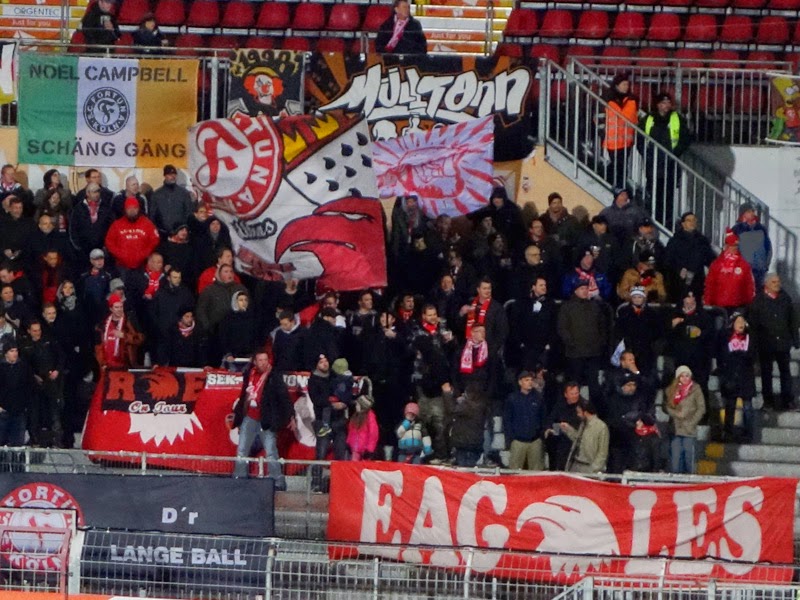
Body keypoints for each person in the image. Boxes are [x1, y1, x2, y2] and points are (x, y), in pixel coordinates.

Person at [231, 351, 294, 488]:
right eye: (260, 360)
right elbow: (243, 394)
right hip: (250, 416)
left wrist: (291, 415)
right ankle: (239, 478)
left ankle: (277, 481)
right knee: (242, 450)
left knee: (271, 452)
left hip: (267, 418)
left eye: (266, 360)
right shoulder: (249, 374)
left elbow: (284, 396)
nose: (264, 363)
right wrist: (239, 414)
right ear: (255, 362)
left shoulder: (274, 376)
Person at [639, 92, 691, 228]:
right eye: (663, 103)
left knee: (669, 195)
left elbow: (685, 138)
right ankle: (653, 219)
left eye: (668, 103)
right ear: (657, 105)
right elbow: (640, 138)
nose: (666, 105)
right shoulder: (648, 119)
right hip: (653, 164)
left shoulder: (677, 118)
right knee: (653, 193)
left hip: (671, 163)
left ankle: (666, 222)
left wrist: (675, 153)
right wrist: (646, 154)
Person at [748, 273, 799, 410]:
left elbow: (792, 320)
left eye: (778, 281)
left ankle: (788, 400)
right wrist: (754, 345)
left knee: (785, 372)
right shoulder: (758, 301)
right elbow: (753, 325)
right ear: (766, 284)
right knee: (766, 373)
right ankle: (768, 401)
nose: (777, 284)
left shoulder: (785, 298)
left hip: (782, 341)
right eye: (774, 282)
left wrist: (795, 340)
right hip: (766, 343)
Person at [557, 279, 609, 408]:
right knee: (574, 385)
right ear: (575, 291)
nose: (585, 291)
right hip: (575, 354)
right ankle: (572, 410)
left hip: (593, 353)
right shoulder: (567, 307)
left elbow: (602, 326)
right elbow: (562, 328)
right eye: (582, 289)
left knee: (594, 386)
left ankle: (595, 411)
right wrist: (571, 343)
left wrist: (600, 342)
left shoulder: (595, 306)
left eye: (586, 288)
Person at [717, 314, 756, 442]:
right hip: (730, 376)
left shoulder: (750, 337)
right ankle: (728, 432)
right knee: (730, 406)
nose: (741, 324)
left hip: (746, 376)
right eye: (738, 321)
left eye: (743, 321)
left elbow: (753, 355)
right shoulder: (725, 337)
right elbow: (721, 355)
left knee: (747, 407)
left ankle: (748, 433)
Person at [664, 212, 716, 301]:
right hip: (679, 282)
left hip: (697, 281)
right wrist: (679, 270)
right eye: (689, 220)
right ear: (683, 224)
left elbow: (710, 259)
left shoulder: (702, 241)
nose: (692, 223)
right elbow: (668, 261)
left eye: (694, 220)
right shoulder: (675, 241)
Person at [664, 365, 706, 474]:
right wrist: (676, 414)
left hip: (689, 430)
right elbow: (667, 407)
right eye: (682, 376)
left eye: (687, 376)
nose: (685, 378)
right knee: (675, 462)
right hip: (675, 429)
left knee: (689, 461)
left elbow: (701, 408)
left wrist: (692, 423)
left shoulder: (696, 389)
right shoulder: (671, 390)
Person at [503, 371, 546, 471]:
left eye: (531, 380)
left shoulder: (538, 398)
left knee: (536, 473)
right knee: (514, 472)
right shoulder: (512, 399)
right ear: (520, 382)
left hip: (535, 440)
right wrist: (511, 438)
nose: (530, 382)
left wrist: (541, 435)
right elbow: (507, 420)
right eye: (526, 380)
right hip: (518, 440)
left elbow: (543, 417)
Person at [704, 229, 755, 310]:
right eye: (732, 245)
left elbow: (749, 286)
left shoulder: (743, 265)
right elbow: (710, 285)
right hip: (718, 305)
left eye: (736, 246)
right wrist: (707, 302)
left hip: (738, 306)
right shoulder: (716, 264)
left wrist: (749, 304)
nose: (734, 248)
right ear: (726, 246)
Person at [105, 198, 161, 272]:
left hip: (143, 265)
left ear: (139, 209)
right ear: (125, 210)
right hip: (121, 266)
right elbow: (109, 242)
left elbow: (155, 240)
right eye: (129, 208)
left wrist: (144, 254)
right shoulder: (116, 225)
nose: (132, 211)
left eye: (135, 208)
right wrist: (121, 255)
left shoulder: (147, 224)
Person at [603, 72, 638, 190]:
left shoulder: (631, 100)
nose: (626, 87)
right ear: (617, 85)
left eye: (627, 84)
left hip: (626, 141)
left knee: (622, 166)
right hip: (612, 141)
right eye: (624, 84)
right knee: (616, 165)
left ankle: (620, 188)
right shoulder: (608, 99)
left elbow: (629, 118)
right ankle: (616, 186)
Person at [0, 336, 34, 448]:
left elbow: (30, 387)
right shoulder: (1, 367)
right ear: (6, 353)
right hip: (3, 411)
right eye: (11, 351)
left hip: (19, 411)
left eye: (16, 351)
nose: (15, 353)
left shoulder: (24, 367)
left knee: (17, 443)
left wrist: (26, 405)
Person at [94, 293, 144, 369]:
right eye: (116, 307)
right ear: (111, 309)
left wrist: (124, 336)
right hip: (107, 366)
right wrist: (102, 363)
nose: (119, 309)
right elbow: (99, 347)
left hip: (125, 366)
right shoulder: (103, 325)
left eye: (121, 307)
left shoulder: (129, 322)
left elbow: (140, 339)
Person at [731, 203, 772, 289]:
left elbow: (768, 248)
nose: (752, 213)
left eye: (753, 211)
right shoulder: (736, 229)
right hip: (742, 271)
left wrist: (765, 265)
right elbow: (731, 249)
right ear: (743, 214)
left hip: (759, 270)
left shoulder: (761, 229)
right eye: (749, 211)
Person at [563, 399, 609, 474]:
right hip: (576, 464)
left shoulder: (601, 427)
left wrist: (594, 468)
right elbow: (578, 440)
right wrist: (568, 429)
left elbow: (602, 452)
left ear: (586, 412)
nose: (578, 415)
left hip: (589, 466)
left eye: (579, 412)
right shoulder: (583, 424)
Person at [150, 165, 195, 238]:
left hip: (180, 235)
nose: (173, 176)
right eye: (170, 174)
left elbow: (189, 213)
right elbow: (152, 215)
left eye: (174, 174)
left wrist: (184, 229)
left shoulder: (184, 193)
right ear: (165, 176)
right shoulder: (157, 194)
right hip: (162, 234)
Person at [347, 388, 379, 461]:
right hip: (354, 448)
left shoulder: (370, 416)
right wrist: (349, 442)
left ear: (363, 406)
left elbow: (373, 434)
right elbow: (351, 430)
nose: (356, 406)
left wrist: (370, 449)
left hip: (365, 449)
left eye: (358, 405)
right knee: (353, 465)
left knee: (364, 466)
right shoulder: (355, 416)